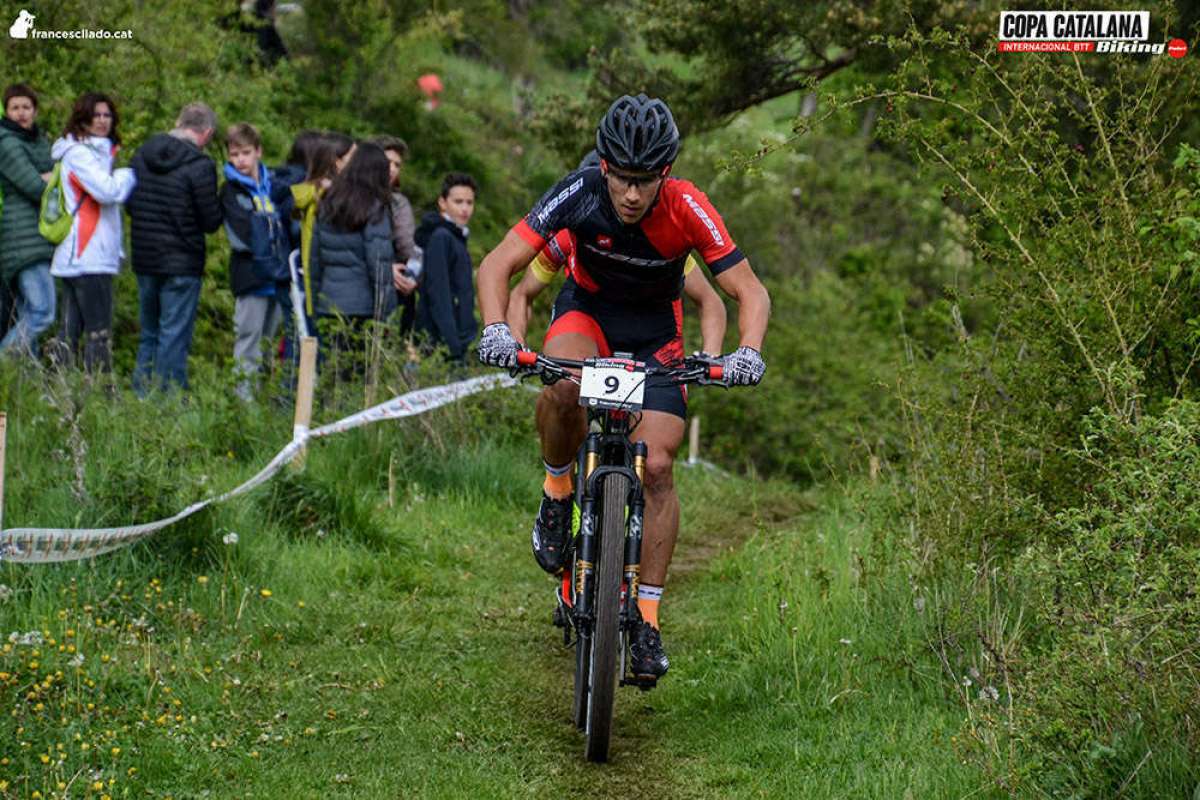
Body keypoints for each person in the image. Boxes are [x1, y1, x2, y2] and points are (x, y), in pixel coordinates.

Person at [477, 94, 771, 679]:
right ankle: (558, 493)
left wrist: (745, 355)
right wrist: (496, 331)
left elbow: (749, 292)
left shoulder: (688, 205)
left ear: (665, 173)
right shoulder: (579, 190)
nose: (632, 195)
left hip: (654, 335)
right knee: (560, 386)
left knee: (658, 466)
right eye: (622, 179)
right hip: (588, 316)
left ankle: (646, 622)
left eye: (645, 181)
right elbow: (497, 265)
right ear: (604, 167)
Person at [126, 102, 222, 393]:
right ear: (206, 133)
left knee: (149, 334)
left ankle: (141, 397)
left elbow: (130, 204)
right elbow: (210, 221)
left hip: (145, 258)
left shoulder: (142, 155)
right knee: (174, 335)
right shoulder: (200, 165)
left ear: (179, 123)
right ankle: (168, 405)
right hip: (182, 262)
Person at [49, 92, 137, 374]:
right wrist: (128, 175)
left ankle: (64, 393)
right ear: (82, 118)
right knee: (96, 332)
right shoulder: (79, 154)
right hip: (87, 254)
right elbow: (107, 191)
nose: (102, 121)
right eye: (96, 115)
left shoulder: (97, 152)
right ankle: (99, 393)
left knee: (71, 330)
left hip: (85, 255)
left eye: (107, 115)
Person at [220, 122, 292, 401]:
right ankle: (243, 402)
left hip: (277, 275)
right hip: (250, 276)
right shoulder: (230, 190)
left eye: (246, 153)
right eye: (235, 154)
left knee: (268, 342)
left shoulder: (275, 183)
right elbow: (243, 235)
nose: (241, 160)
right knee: (248, 341)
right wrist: (270, 227)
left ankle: (261, 398)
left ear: (258, 152)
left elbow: (286, 222)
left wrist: (270, 226)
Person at [308, 142, 397, 366]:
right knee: (359, 375)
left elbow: (314, 260)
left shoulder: (327, 203)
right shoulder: (375, 208)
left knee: (333, 372)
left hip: (329, 304)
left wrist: (317, 300)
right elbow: (379, 265)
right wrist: (387, 313)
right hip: (362, 308)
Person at [0, 83, 55, 359]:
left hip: (38, 235)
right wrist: (51, 178)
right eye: (15, 108)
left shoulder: (37, 140)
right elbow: (36, 186)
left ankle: (26, 391)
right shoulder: (7, 143)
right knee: (43, 312)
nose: (21, 113)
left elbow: (50, 177)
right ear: (7, 112)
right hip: (22, 238)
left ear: (34, 110)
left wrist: (50, 177)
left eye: (26, 107)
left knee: (27, 314)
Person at [413, 173, 478, 363]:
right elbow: (438, 292)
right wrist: (453, 344)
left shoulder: (456, 237)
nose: (465, 208)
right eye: (458, 202)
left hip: (455, 339)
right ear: (442, 202)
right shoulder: (441, 237)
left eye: (469, 202)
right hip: (441, 344)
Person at [371, 136, 418, 334]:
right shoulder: (356, 198)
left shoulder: (399, 202)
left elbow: (408, 245)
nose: (392, 168)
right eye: (386, 162)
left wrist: (413, 275)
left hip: (397, 288)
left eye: (397, 164)